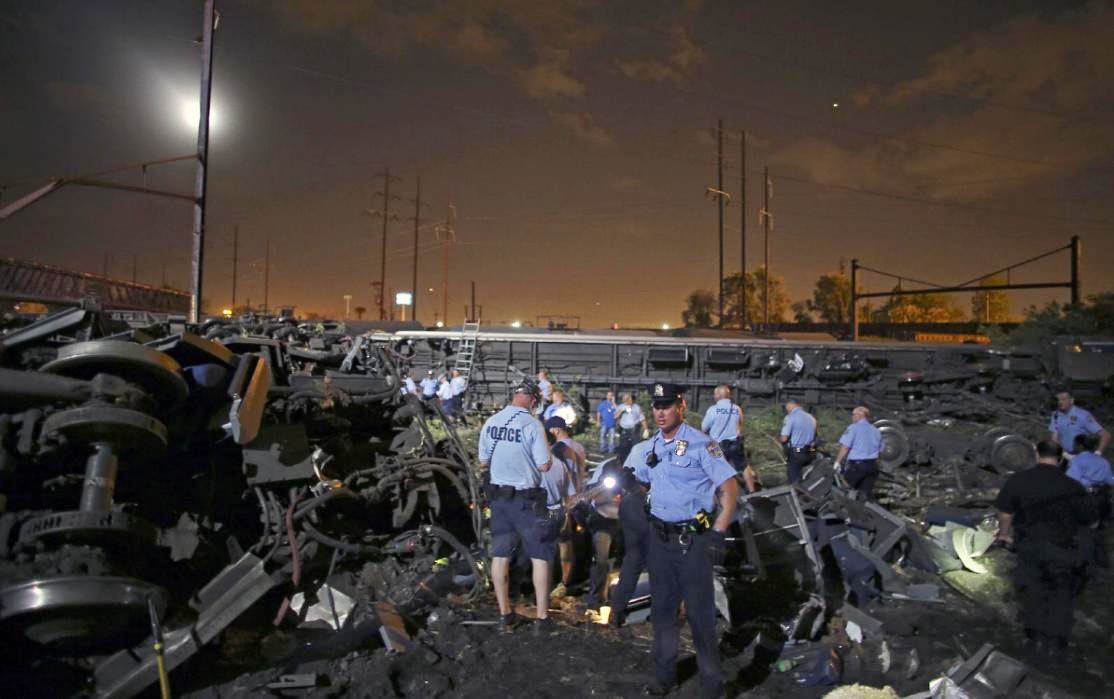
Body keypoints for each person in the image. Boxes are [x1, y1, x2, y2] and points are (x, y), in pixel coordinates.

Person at [631, 383, 738, 697]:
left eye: (666, 406)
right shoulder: (652, 446)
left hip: (693, 541)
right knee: (663, 613)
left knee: (700, 616)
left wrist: (718, 532)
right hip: (660, 539)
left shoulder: (702, 445)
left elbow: (729, 489)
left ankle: (712, 686)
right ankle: (664, 678)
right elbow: (644, 484)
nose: (660, 412)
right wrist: (632, 487)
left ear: (681, 406)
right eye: (656, 406)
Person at [995, 440, 1098, 659]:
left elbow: (1005, 512)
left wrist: (1004, 534)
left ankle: (1034, 640)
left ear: (1036, 455)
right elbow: (1091, 522)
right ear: (1060, 460)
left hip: (1030, 547)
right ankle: (1056, 644)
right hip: (1063, 550)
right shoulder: (1073, 486)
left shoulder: (1018, 480)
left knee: (1033, 592)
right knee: (1061, 595)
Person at [478, 379, 556, 633]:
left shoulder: (492, 422)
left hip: (499, 501)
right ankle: (542, 618)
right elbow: (544, 465)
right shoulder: (532, 424)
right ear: (533, 399)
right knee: (539, 556)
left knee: (500, 556)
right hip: (525, 501)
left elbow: (483, 461)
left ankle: (505, 614)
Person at [546, 416, 584, 598]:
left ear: (555, 430)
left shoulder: (555, 453)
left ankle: (552, 583)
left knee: (555, 546)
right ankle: (566, 581)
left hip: (558, 502)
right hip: (574, 499)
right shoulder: (578, 447)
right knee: (568, 544)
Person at [580, 456, 622, 614]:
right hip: (603, 519)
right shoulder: (607, 467)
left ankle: (617, 599)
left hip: (627, 521)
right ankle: (596, 601)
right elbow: (589, 495)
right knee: (601, 560)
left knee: (624, 561)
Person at [1067, 433, 1113, 569]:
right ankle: (1101, 560)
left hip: (1083, 499)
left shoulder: (1077, 460)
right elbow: (1111, 481)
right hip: (1100, 500)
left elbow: (1072, 481)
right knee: (1096, 530)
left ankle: (1083, 563)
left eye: (1075, 444)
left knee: (1081, 531)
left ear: (1080, 446)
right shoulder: (1103, 461)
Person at [701, 385, 757, 492]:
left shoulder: (713, 410)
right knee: (744, 467)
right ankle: (752, 491)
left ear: (718, 395)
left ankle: (718, 494)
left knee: (713, 468)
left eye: (715, 394)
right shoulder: (736, 408)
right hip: (735, 443)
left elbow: (704, 428)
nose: (714, 396)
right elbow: (740, 424)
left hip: (716, 445)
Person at [833, 406, 882, 499]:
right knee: (864, 496)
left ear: (860, 415)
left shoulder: (853, 428)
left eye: (853, 414)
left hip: (857, 467)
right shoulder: (876, 431)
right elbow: (880, 450)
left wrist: (837, 462)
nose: (852, 417)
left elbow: (845, 447)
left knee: (843, 491)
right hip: (872, 467)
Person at [1049, 389, 1109, 457]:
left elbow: (1105, 435)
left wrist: (1097, 454)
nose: (1060, 402)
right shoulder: (1055, 415)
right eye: (1058, 400)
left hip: (1082, 455)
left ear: (1071, 400)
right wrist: (1065, 454)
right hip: (1064, 454)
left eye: (1063, 399)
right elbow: (1054, 438)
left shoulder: (1083, 415)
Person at [779, 398, 817, 484]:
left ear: (790, 406)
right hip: (809, 452)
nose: (787, 410)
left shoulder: (790, 417)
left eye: (787, 408)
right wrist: (812, 452)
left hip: (796, 452)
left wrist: (779, 438)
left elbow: (784, 438)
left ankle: (796, 490)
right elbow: (814, 440)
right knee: (806, 480)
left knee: (794, 481)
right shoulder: (811, 418)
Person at [615, 392, 649, 464]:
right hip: (624, 430)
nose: (626, 401)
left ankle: (635, 462)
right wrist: (622, 410)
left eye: (628, 399)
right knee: (623, 447)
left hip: (634, 430)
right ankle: (623, 463)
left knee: (635, 446)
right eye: (625, 400)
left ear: (631, 399)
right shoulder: (621, 406)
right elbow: (615, 417)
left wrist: (646, 429)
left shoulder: (637, 407)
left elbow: (642, 418)